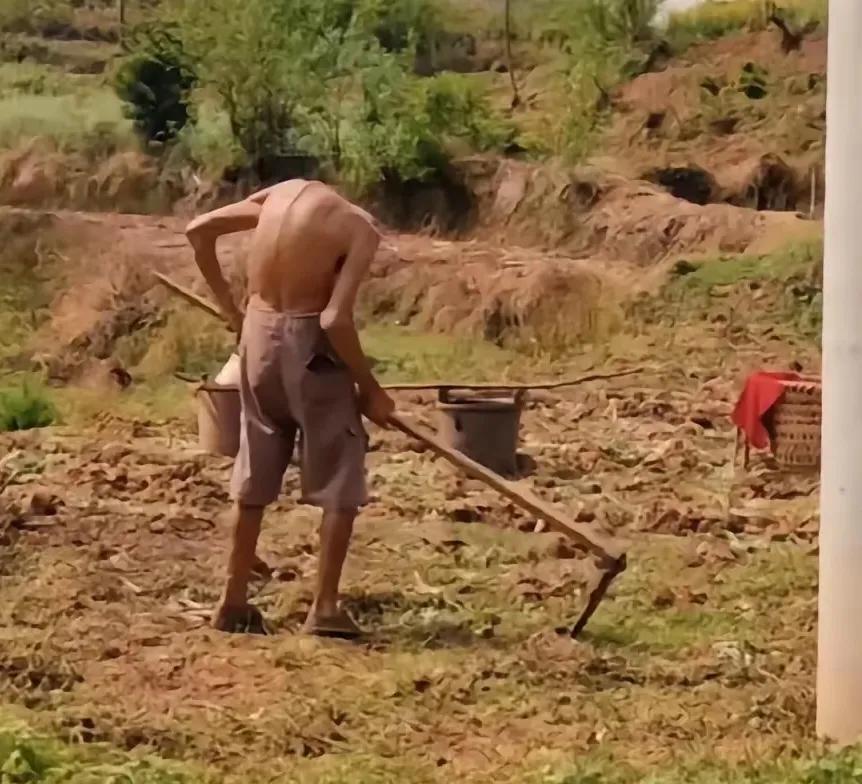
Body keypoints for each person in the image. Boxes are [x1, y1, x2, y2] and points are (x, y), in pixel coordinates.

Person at [185, 180, 395, 638]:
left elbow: (199, 231)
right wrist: (370, 388)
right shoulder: (359, 228)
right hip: (309, 350)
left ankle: (233, 602)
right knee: (342, 468)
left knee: (255, 463)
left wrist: (233, 314)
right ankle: (324, 609)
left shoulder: (275, 198)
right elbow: (334, 319)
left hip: (257, 339)